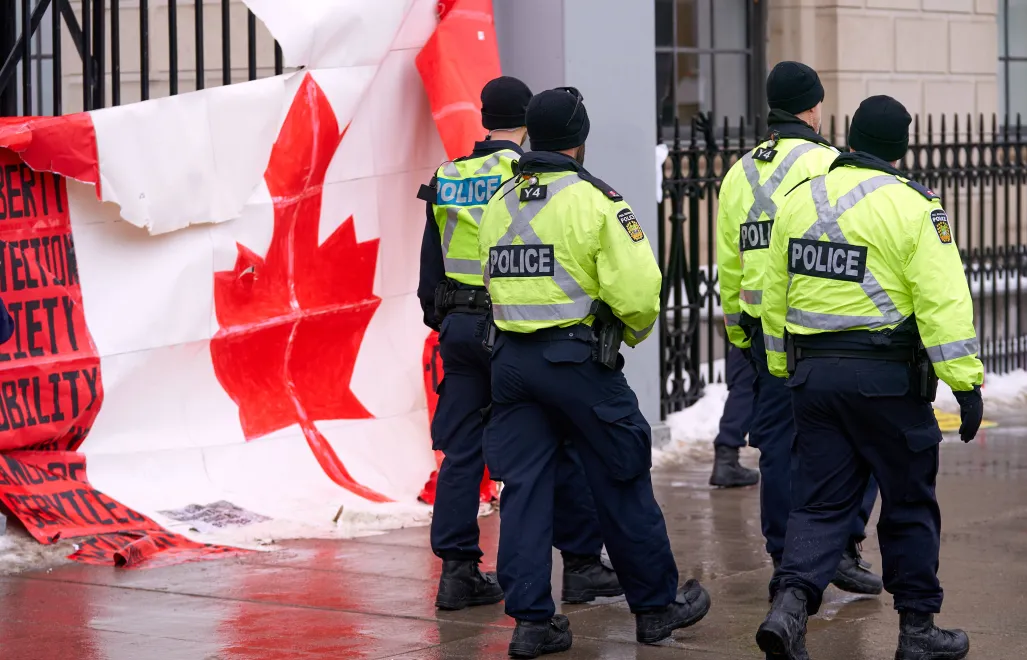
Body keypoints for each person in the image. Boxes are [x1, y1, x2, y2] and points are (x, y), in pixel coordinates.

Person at [478, 87, 711, 658]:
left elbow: (490, 280)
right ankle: (655, 609)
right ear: (580, 141)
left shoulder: (501, 200)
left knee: (526, 491)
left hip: (510, 364)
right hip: (577, 362)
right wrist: (621, 333)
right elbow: (637, 293)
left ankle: (533, 623)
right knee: (621, 476)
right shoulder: (597, 201)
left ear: (532, 137)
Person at [756, 95, 982, 660]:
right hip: (886, 383)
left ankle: (788, 607)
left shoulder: (798, 199)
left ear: (850, 136)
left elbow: (773, 293)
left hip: (814, 381)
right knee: (907, 503)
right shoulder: (914, 208)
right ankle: (917, 632)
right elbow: (943, 303)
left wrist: (785, 367)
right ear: (901, 147)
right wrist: (965, 383)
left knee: (818, 504)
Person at [416, 77, 621, 614]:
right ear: (527, 122)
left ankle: (457, 574)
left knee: (460, 452)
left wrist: (443, 318)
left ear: (484, 117)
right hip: (511, 326)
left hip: (457, 327)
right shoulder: (524, 174)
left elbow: (429, 265)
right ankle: (579, 566)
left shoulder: (449, 175)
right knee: (560, 441)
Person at [715, 61, 882, 596]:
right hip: (817, 328)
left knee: (778, 449)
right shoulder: (830, 163)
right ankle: (842, 547)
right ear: (811, 108)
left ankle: (785, 559)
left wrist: (738, 330)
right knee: (857, 441)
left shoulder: (739, 172)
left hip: (762, 332)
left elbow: (729, 260)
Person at [709, 344, 760, 487]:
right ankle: (727, 462)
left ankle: (726, 460)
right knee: (748, 386)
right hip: (765, 331)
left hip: (744, 332)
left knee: (744, 386)